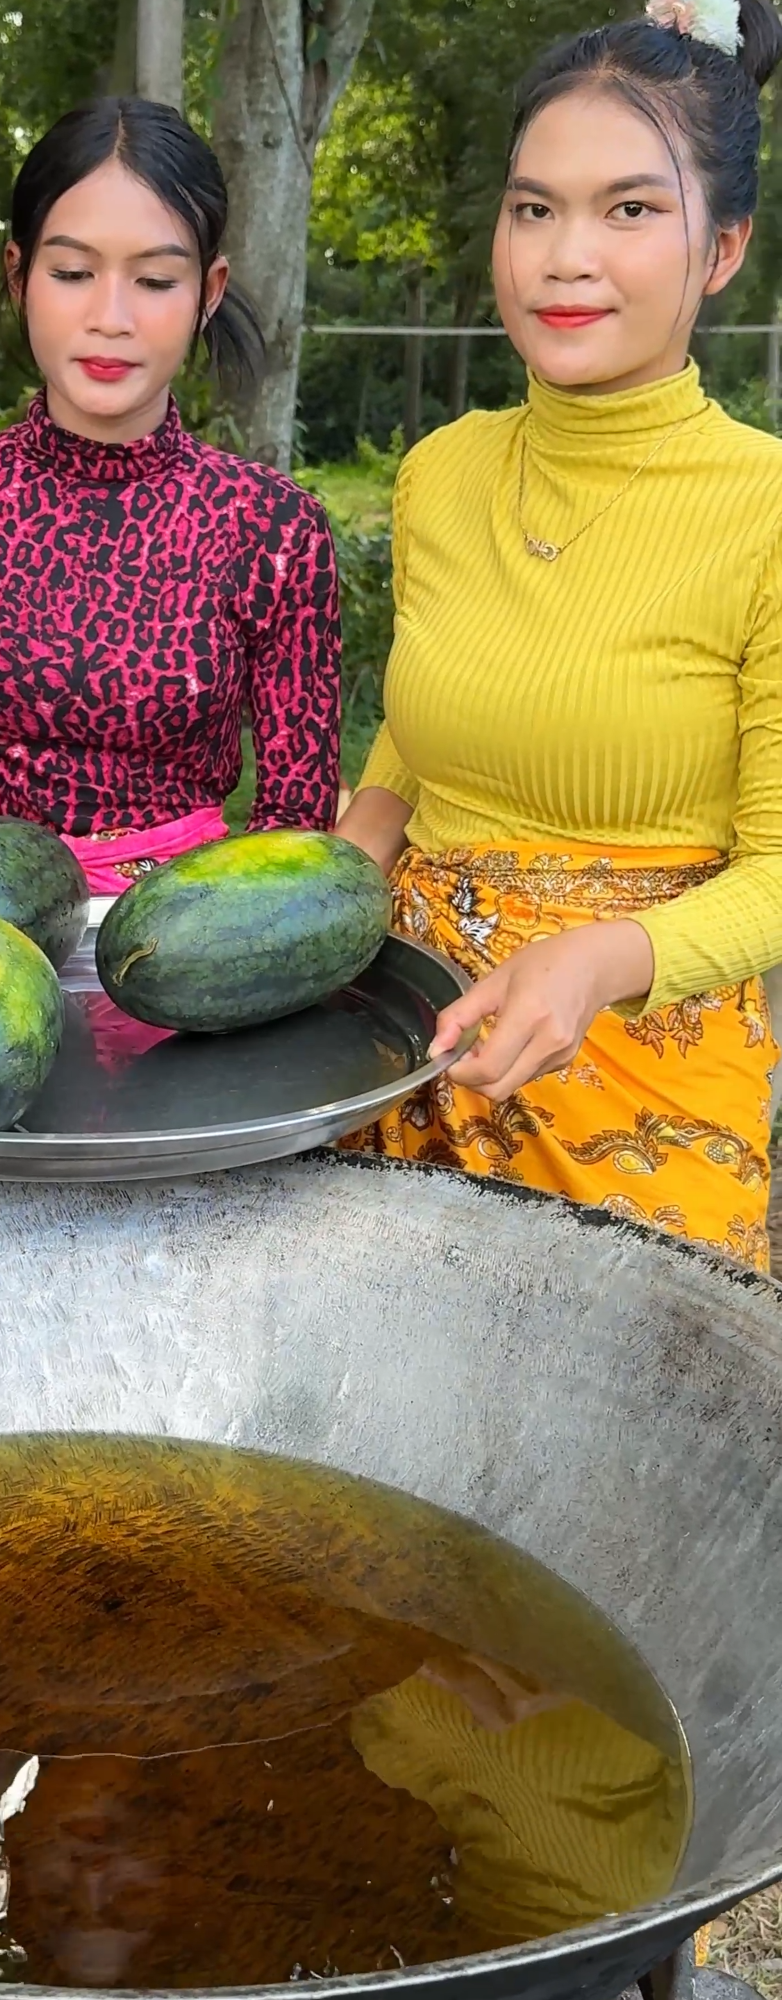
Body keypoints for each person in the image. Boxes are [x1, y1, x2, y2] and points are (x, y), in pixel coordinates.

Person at [338, 0, 782, 1277]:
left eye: (629, 210)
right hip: (407, 1042)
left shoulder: (762, 510)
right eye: (533, 208)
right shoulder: (442, 473)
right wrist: (342, 868)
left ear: (724, 249)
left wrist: (599, 959)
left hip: (648, 1080)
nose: (562, 257)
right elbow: (418, 733)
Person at [0, 97, 341, 900]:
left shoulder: (273, 527)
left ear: (209, 290)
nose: (111, 317)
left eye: (154, 279)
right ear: (19, 275)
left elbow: (295, 807)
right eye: (71, 273)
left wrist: (226, 939)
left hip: (191, 952)